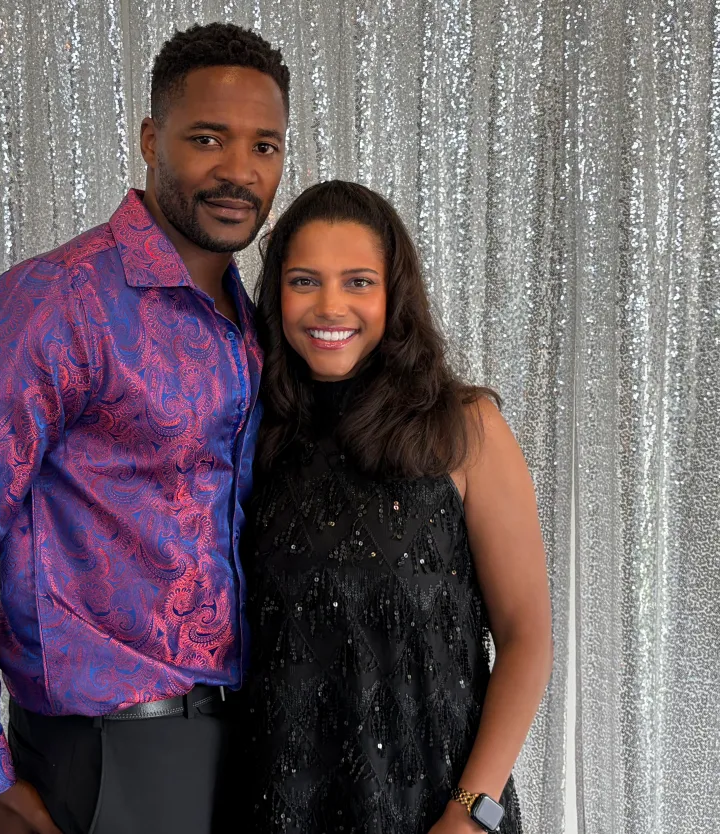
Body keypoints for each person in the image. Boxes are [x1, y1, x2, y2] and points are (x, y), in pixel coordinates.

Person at [0, 23, 289, 834]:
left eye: (264, 146)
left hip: (237, 736)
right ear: (151, 139)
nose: (239, 171)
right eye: (207, 138)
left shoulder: (252, 324)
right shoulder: (54, 304)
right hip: (114, 750)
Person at [232, 181, 553, 834]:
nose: (330, 306)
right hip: (276, 809)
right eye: (304, 281)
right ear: (275, 294)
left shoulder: (466, 429)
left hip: (439, 812)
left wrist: (471, 814)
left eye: (358, 282)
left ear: (393, 294)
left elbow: (527, 637)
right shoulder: (249, 435)